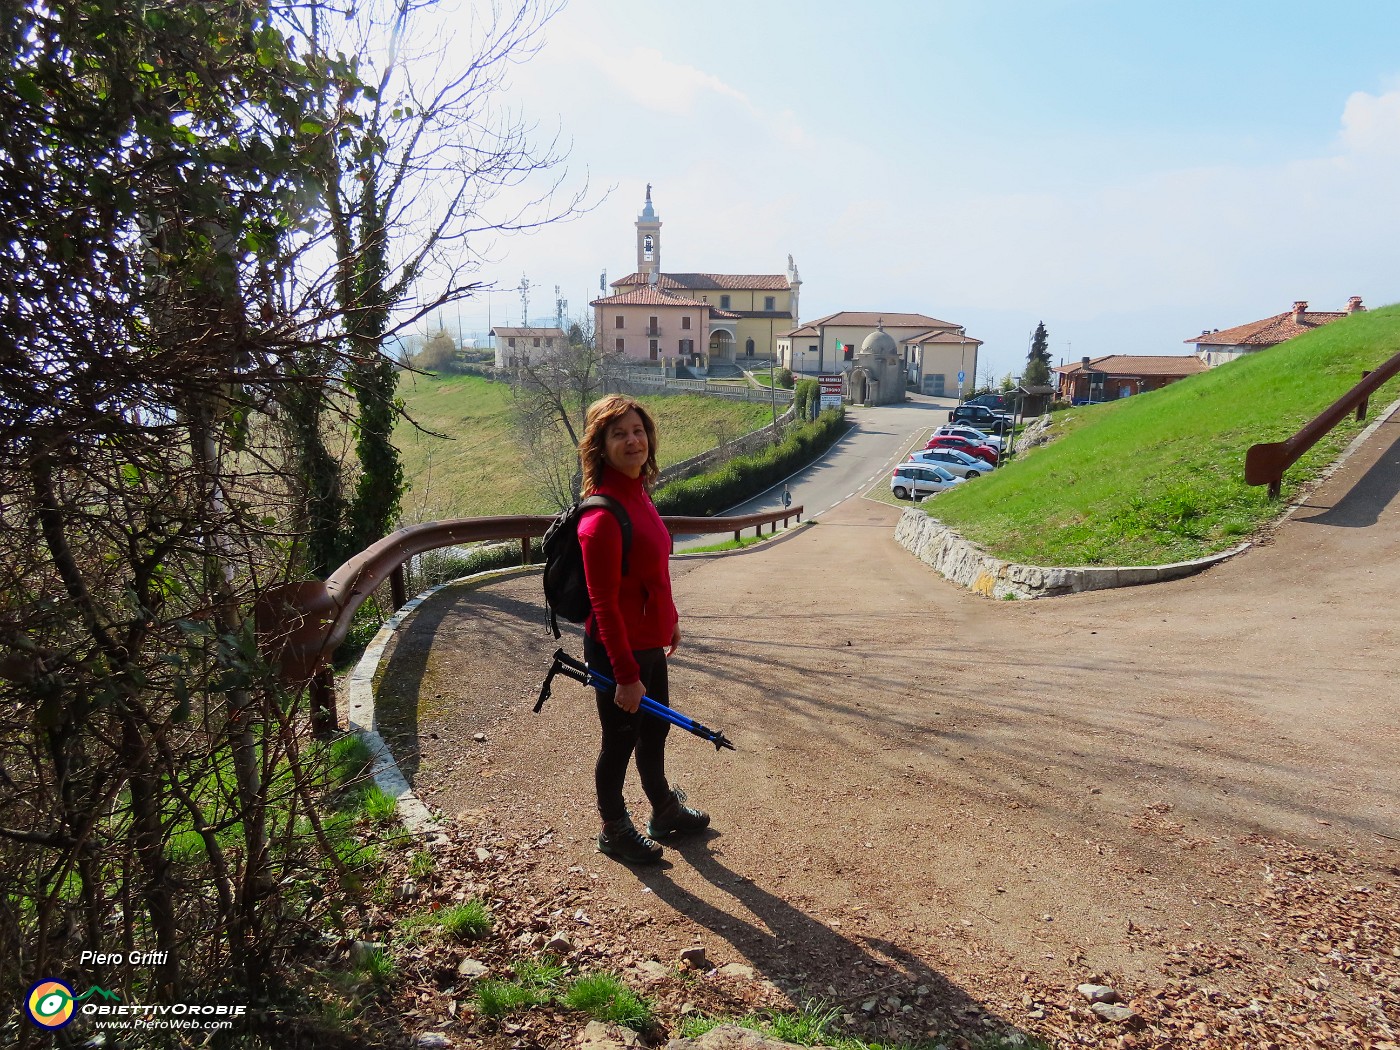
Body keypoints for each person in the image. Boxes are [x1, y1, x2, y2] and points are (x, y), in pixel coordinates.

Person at [577, 394, 710, 864]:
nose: (633, 441)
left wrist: (669, 620)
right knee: (619, 742)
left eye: (638, 431)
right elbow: (603, 604)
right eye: (619, 434)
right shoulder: (601, 518)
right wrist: (626, 675)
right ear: (601, 446)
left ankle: (664, 811)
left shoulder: (640, 494)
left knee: (654, 733)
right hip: (617, 652)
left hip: (650, 643)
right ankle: (613, 828)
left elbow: (655, 571)